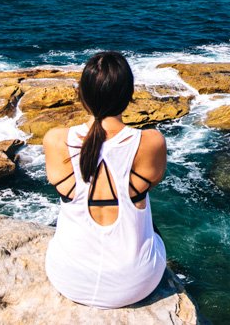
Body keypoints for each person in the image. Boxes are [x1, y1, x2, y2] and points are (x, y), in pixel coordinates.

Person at [43, 51, 168, 308]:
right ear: (129, 95)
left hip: (70, 278)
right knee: (152, 227)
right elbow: (151, 181)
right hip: (136, 283)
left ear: (82, 96)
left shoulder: (55, 139)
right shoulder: (151, 141)